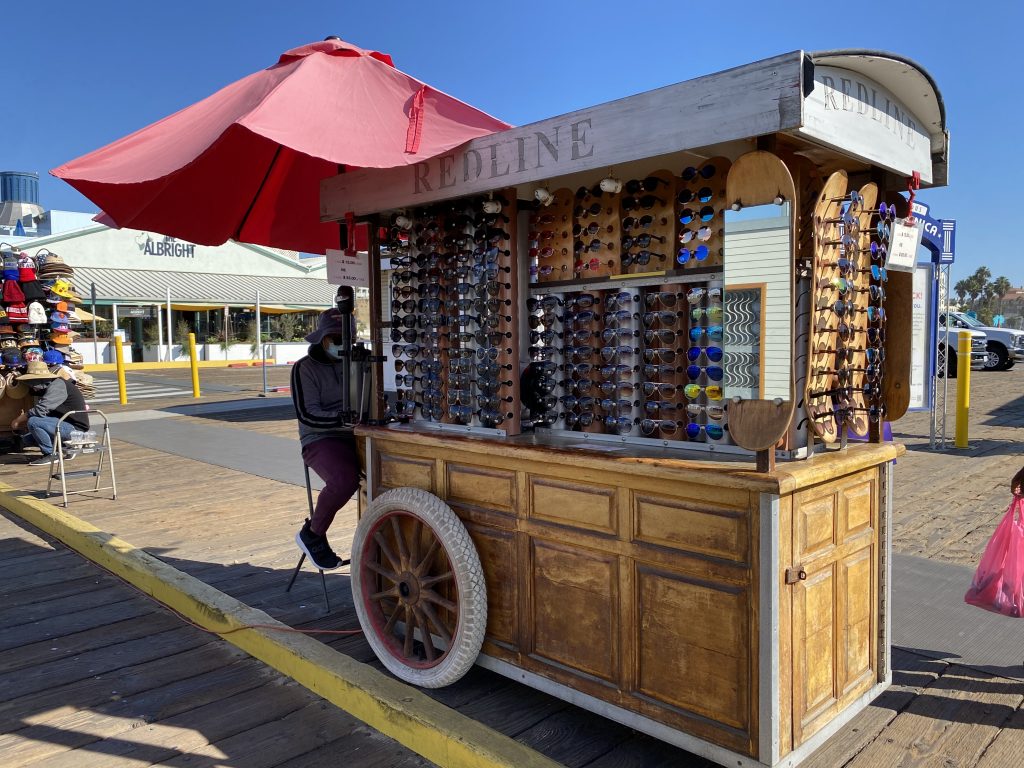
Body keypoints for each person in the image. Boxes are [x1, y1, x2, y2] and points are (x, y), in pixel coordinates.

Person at [290, 309, 360, 570]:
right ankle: (314, 533)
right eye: (337, 338)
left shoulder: (356, 362)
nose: (344, 344)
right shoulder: (303, 369)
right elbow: (308, 415)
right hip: (321, 437)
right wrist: (345, 419)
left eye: (348, 339)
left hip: (358, 432)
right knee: (345, 479)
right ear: (323, 339)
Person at [11, 359, 89, 466]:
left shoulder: (58, 386)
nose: (31, 386)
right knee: (27, 439)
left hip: (75, 429)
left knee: (33, 422)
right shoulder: (51, 386)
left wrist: (18, 420)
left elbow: (40, 410)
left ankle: (50, 455)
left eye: (32, 382)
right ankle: (64, 446)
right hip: (64, 424)